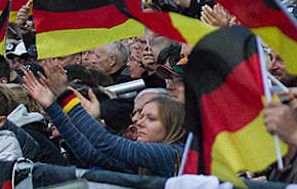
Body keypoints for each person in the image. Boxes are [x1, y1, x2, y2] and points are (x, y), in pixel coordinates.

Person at [23, 71, 185, 176]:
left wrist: (64, 95)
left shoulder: (170, 154)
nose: (138, 122)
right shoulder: (147, 155)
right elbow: (89, 153)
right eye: (140, 116)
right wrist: (51, 105)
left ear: (172, 125)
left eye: (151, 119)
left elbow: (107, 143)